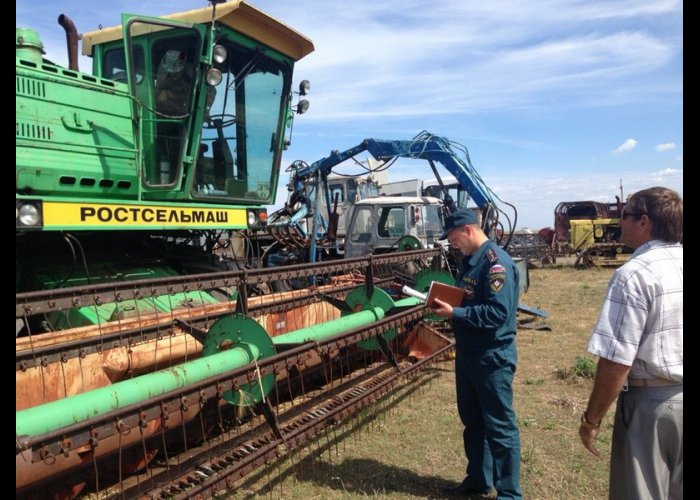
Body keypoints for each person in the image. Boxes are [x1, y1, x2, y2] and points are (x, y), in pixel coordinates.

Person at [579, 186, 683, 499]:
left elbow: (616, 360)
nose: (619, 222)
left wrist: (591, 419)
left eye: (624, 215)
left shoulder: (633, 275)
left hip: (652, 407)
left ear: (644, 222)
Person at [431, 207, 522, 499]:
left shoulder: (496, 264)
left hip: (491, 357)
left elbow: (498, 312)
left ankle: (509, 493)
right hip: (469, 354)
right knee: (473, 421)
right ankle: (479, 480)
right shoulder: (470, 262)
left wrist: (455, 312)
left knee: (500, 426)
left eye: (454, 237)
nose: (452, 243)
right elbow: (469, 298)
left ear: (468, 230)